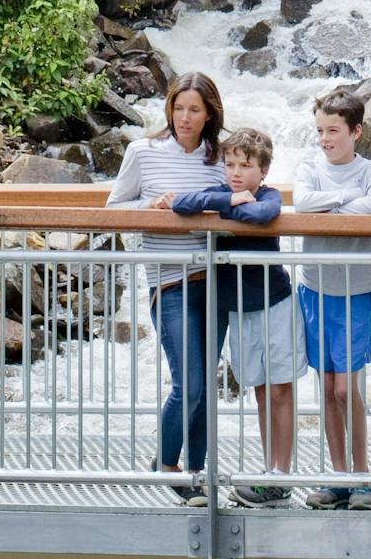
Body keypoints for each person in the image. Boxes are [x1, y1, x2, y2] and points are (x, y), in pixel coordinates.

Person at [105, 71, 229, 505]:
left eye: (194, 109)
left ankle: (197, 472)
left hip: (216, 281)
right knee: (189, 381)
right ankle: (165, 462)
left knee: (206, 383)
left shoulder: (221, 158)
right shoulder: (144, 152)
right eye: (179, 108)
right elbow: (114, 208)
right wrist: (151, 206)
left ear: (210, 112)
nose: (185, 117)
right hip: (169, 283)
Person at [170, 127, 307, 508]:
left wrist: (225, 206)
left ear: (262, 170)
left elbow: (265, 214)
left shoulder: (267, 194)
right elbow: (181, 203)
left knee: (281, 387)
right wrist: (228, 199)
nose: (235, 172)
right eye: (230, 164)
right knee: (261, 390)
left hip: (275, 301)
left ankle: (282, 472)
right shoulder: (222, 194)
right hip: (239, 310)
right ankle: (270, 472)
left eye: (245, 166)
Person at [291, 88, 371, 512]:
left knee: (348, 388)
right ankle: (338, 476)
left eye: (333, 131)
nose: (325, 139)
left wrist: (332, 207)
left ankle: (362, 475)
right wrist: (344, 202)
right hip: (314, 289)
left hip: (355, 290)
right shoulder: (310, 167)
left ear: (356, 131)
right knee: (327, 389)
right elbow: (301, 203)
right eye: (320, 130)